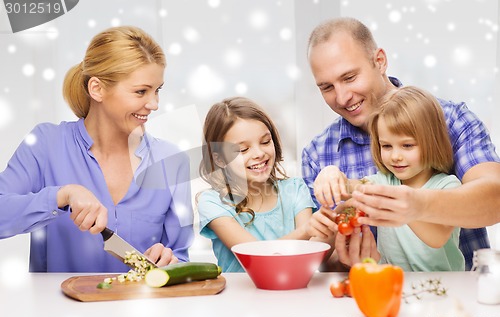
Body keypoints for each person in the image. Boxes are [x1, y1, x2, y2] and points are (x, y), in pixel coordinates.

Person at [303, 17, 500, 270]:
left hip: (458, 298)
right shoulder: (318, 154)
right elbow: (316, 258)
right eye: (327, 87)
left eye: (350, 77)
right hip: (374, 294)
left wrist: (419, 205)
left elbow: (495, 199)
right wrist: (344, 263)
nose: (342, 97)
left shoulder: (450, 120)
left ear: (380, 61)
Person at [0, 26, 194, 272]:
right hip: (57, 309)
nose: (154, 104)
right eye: (141, 91)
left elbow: (180, 257)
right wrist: (62, 195)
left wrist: (170, 260)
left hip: (142, 307)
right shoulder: (46, 144)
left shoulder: (172, 161)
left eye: (158, 91)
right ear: (97, 89)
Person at [313, 86, 465, 271]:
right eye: (386, 146)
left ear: (432, 141)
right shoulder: (384, 182)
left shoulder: (448, 185)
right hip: (392, 284)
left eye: (407, 145)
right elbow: (350, 187)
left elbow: (437, 237)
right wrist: (330, 173)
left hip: (439, 287)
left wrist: (403, 204)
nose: (395, 156)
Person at [197, 97, 317, 272]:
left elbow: (310, 255)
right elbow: (257, 256)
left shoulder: (296, 189)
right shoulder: (213, 203)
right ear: (220, 159)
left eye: (265, 142)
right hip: (238, 298)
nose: (259, 153)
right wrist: (307, 230)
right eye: (243, 150)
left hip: (293, 292)